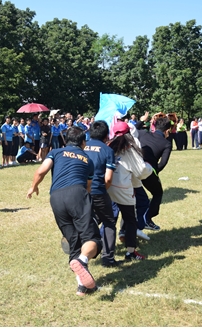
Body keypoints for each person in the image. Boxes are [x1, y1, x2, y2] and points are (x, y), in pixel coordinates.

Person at [26, 126, 102, 297]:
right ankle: (82, 261)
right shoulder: (87, 160)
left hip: (56, 197)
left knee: (73, 241)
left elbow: (41, 170)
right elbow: (88, 187)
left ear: (66, 140)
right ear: (83, 143)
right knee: (93, 239)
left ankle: (82, 287)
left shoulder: (56, 152)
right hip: (77, 193)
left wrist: (33, 187)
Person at [108, 122, 152, 261]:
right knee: (130, 220)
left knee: (109, 221)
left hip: (108, 186)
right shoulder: (130, 147)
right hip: (124, 188)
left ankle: (106, 252)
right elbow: (141, 171)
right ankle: (130, 252)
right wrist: (149, 167)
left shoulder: (109, 146)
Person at [83, 120, 119, 267]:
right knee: (109, 221)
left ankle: (81, 252)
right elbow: (108, 178)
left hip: (81, 191)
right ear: (106, 135)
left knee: (87, 220)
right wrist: (104, 189)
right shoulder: (107, 150)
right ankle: (108, 258)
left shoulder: (82, 147)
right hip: (98, 190)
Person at [137, 116, 172, 231]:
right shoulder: (166, 143)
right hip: (148, 171)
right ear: (167, 130)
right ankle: (147, 219)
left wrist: (142, 120)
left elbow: (132, 129)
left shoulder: (143, 133)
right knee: (157, 193)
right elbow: (162, 163)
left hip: (134, 169)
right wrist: (154, 172)